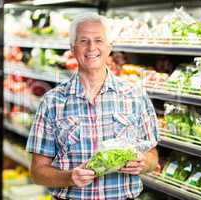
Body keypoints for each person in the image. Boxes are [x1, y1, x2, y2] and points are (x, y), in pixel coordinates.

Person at [26, 13, 159, 200]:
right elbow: (37, 172)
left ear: (109, 47)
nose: (91, 47)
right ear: (72, 48)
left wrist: (143, 164)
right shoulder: (52, 102)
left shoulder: (135, 95)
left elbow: (152, 155)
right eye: (83, 41)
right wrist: (70, 177)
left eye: (99, 40)